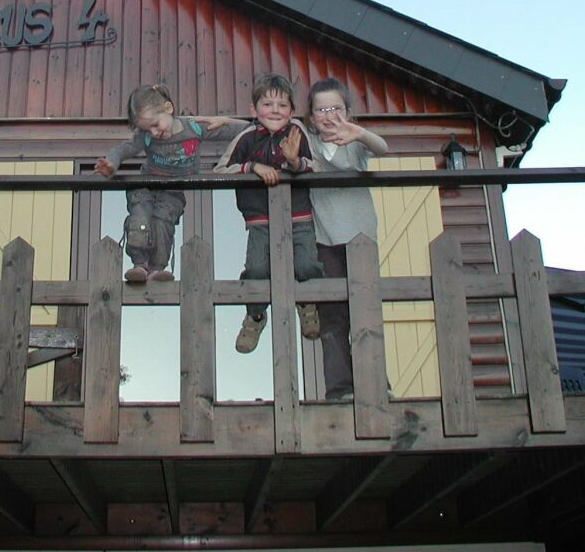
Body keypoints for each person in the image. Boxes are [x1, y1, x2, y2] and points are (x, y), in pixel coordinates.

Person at [214, 74, 323, 353]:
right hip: (259, 219)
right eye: (267, 104)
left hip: (298, 215)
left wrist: (294, 161)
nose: (275, 110)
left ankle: (307, 305)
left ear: (292, 110)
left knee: (307, 264)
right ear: (254, 110)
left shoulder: (297, 132)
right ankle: (255, 316)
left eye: (282, 105)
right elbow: (219, 171)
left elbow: (317, 167)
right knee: (258, 269)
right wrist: (252, 168)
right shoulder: (247, 138)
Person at [95, 84, 246, 283]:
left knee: (163, 224)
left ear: (168, 108)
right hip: (147, 185)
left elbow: (245, 130)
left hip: (172, 190)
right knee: (140, 215)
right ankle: (139, 264)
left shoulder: (193, 128)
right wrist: (111, 165)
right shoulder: (145, 136)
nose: (154, 132)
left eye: (156, 124)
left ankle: (157, 268)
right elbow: (125, 149)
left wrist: (225, 120)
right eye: (147, 129)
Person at [305, 77, 391, 401]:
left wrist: (360, 133)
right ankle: (339, 388)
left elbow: (382, 148)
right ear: (311, 116)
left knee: (365, 310)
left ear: (348, 111)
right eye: (321, 109)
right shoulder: (309, 142)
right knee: (333, 315)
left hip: (360, 236)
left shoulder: (355, 141)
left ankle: (377, 384)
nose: (329, 115)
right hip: (324, 237)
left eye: (336, 108)